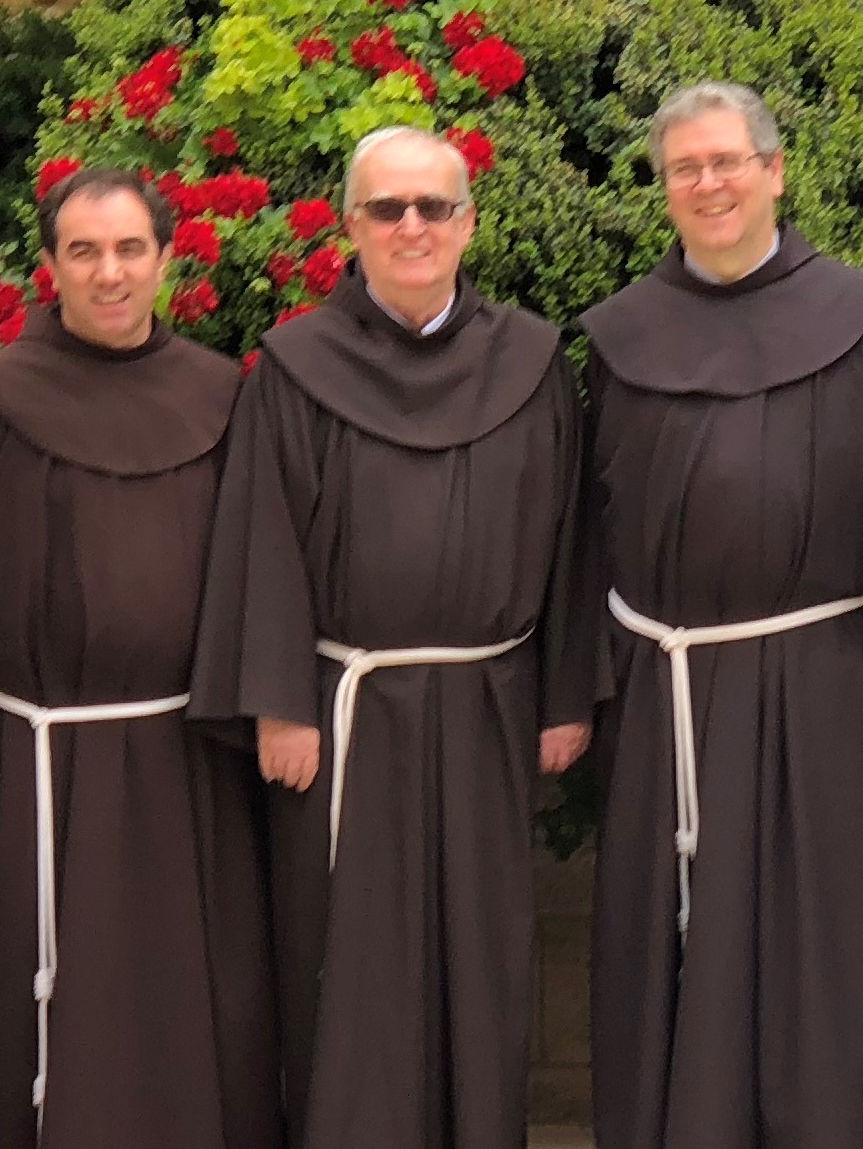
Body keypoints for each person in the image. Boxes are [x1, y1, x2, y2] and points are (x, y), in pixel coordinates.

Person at [192, 126, 596, 1149]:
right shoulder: (296, 365)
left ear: (468, 222)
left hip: (490, 705)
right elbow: (262, 537)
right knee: (348, 966)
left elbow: (571, 536)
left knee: (482, 959)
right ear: (350, 225)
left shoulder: (532, 360)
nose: (412, 226)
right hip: (342, 716)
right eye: (387, 208)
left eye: (433, 207)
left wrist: (564, 699)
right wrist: (278, 703)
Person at [579, 86, 863, 1149]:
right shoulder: (620, 337)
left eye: (727, 161)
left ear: (774, 172)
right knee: (667, 946)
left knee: (827, 949)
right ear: (664, 190)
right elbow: (586, 528)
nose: (709, 183)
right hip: (668, 691)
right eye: (685, 168)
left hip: (827, 685)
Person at [0, 168, 278, 1149]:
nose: (108, 272)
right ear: (49, 266)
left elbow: (258, 569)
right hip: (36, 755)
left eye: (130, 249)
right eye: (83, 251)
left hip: (187, 759)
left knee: (191, 999)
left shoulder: (223, 396)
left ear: (167, 261)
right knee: (39, 993)